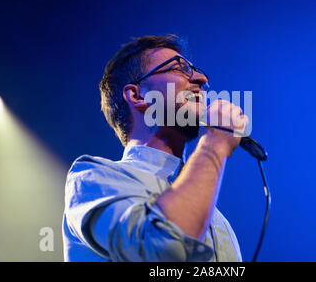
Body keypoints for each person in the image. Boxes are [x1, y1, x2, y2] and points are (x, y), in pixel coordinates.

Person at [62, 34, 248, 261]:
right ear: (137, 95)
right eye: (179, 68)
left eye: (196, 71)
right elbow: (166, 249)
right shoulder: (93, 178)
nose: (200, 78)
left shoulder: (219, 222)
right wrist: (216, 141)